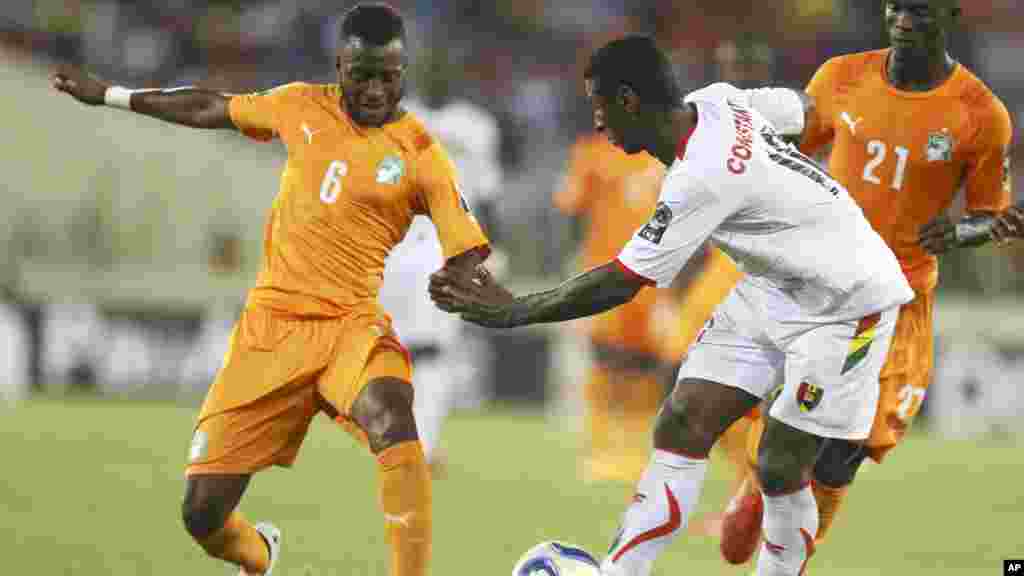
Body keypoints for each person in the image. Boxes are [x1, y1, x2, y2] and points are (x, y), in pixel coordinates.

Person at [431, 35, 914, 576]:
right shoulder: (717, 100)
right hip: (772, 285)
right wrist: (787, 189)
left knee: (779, 466)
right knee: (681, 421)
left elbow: (621, 281)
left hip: (847, 301)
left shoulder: (702, 175)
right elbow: (800, 109)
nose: (597, 122)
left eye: (600, 105)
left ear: (631, 102)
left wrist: (512, 311)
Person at [53, 4, 490, 576]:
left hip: (350, 326)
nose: (377, 88)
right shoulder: (299, 105)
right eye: (363, 74)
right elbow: (211, 105)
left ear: (403, 70)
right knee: (201, 514)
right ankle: (260, 555)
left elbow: (467, 248)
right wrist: (111, 95)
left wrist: (477, 285)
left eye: (389, 74)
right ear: (341, 65)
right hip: (270, 331)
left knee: (394, 416)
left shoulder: (422, 154)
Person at [719, 0, 1013, 565]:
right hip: (828, 286)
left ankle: (784, 536)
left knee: (841, 455)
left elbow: (990, 214)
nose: (903, 19)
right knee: (799, 429)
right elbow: (787, 156)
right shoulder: (840, 77)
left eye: (919, 10)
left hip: (902, 300)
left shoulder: (981, 114)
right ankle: (763, 479)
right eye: (896, 7)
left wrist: (960, 232)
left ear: (950, 15)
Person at [555, 132, 742, 485]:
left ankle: (635, 454)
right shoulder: (590, 153)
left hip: (657, 279)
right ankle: (599, 451)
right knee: (605, 357)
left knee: (649, 363)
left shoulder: (672, 158)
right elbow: (571, 212)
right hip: (605, 269)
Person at [379, 48, 506, 477]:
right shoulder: (394, 118)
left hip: (444, 247)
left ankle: (417, 445)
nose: (437, 73)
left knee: (429, 352)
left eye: (443, 65)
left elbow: (488, 196)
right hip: (395, 245)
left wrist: (495, 249)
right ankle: (411, 444)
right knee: (412, 351)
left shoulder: (477, 127)